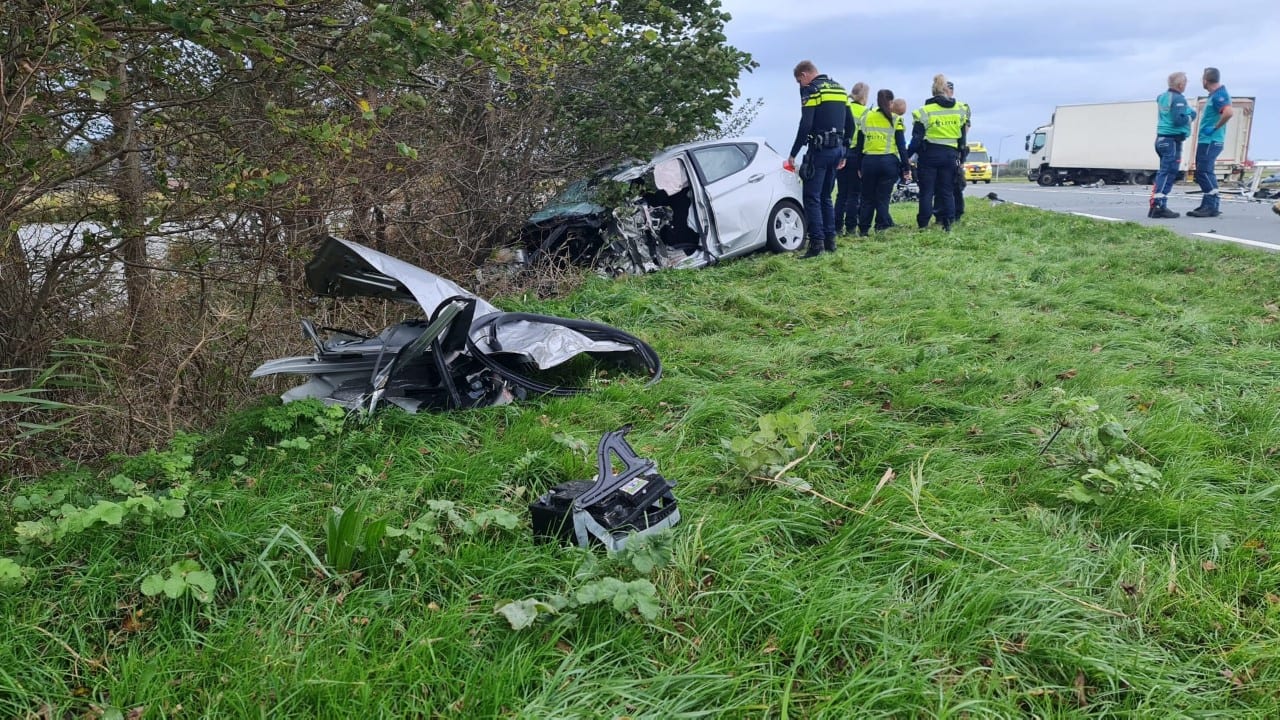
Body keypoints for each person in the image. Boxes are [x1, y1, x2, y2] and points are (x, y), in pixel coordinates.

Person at [788, 61, 855, 257]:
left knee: (812, 197)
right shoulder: (841, 89)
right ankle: (830, 241)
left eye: (799, 81)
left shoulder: (812, 90)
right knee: (826, 196)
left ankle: (816, 244)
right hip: (837, 150)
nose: (800, 86)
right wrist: (845, 150)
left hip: (819, 150)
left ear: (804, 74)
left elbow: (806, 123)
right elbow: (850, 124)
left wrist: (794, 152)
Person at [909, 74, 967, 231]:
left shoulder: (924, 111)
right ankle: (948, 223)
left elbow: (917, 138)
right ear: (945, 91)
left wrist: (907, 156)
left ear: (933, 92)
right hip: (950, 155)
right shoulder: (960, 110)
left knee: (927, 191)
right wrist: (961, 156)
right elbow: (963, 138)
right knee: (947, 190)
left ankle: (923, 224)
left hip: (929, 155)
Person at [852, 89, 910, 236]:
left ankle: (864, 229)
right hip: (888, 162)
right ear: (891, 102)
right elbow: (902, 147)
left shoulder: (866, 117)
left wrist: (859, 166)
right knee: (883, 198)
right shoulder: (896, 119)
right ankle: (881, 226)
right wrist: (906, 167)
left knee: (867, 198)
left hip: (869, 162)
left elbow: (859, 144)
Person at [1187, 67, 1234, 218]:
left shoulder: (1219, 96)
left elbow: (1228, 112)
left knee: (1204, 172)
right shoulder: (1214, 95)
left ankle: (1211, 204)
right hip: (1208, 140)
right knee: (1204, 172)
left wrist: (1214, 128)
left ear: (1205, 80)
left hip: (1211, 140)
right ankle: (1209, 203)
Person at [1150, 71, 1196, 219]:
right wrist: (1190, 115)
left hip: (1161, 139)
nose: (1186, 85)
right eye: (1186, 82)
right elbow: (1178, 120)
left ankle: (1156, 203)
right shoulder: (1178, 99)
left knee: (1164, 171)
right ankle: (1159, 204)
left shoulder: (1162, 97)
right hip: (1172, 140)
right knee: (1169, 171)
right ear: (1180, 84)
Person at [834, 82, 869, 235]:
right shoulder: (866, 112)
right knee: (854, 193)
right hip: (856, 155)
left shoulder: (843, 107)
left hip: (841, 153)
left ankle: (836, 226)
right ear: (864, 96)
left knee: (841, 193)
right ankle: (851, 227)